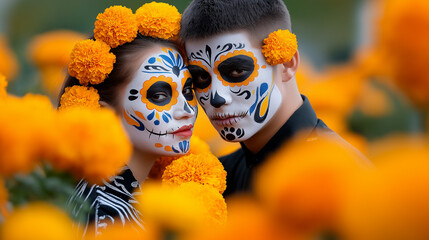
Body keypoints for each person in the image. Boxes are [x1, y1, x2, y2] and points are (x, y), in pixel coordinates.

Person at [180, 0, 369, 198]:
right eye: (201, 77)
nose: (215, 97)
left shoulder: (343, 174)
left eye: (236, 71)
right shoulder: (219, 179)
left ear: (287, 63)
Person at [62, 3, 197, 236]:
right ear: (105, 114)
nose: (186, 110)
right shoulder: (105, 214)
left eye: (187, 91)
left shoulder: (122, 197)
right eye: (160, 95)